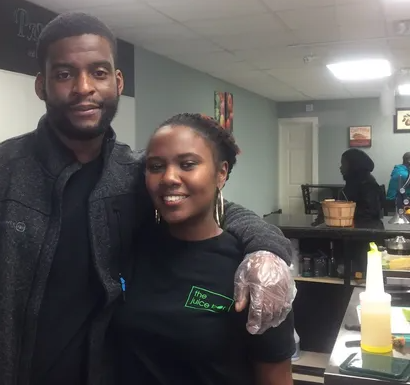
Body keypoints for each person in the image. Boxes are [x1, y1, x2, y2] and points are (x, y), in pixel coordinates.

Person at [0, 13, 294, 385]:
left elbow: (219, 208)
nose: (83, 88)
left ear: (118, 82)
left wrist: (267, 250)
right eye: (64, 74)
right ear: (41, 85)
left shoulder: (138, 174)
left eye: (99, 72)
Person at [112, 113, 294, 385]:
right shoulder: (132, 247)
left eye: (187, 164)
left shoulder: (253, 273)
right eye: (156, 166)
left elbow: (274, 379)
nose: (169, 177)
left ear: (221, 173)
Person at [340, 148, 383, 221]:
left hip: (366, 228)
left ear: (353, 165)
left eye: (343, 164)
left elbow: (370, 213)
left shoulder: (368, 185)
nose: (340, 167)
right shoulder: (354, 181)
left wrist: (343, 211)